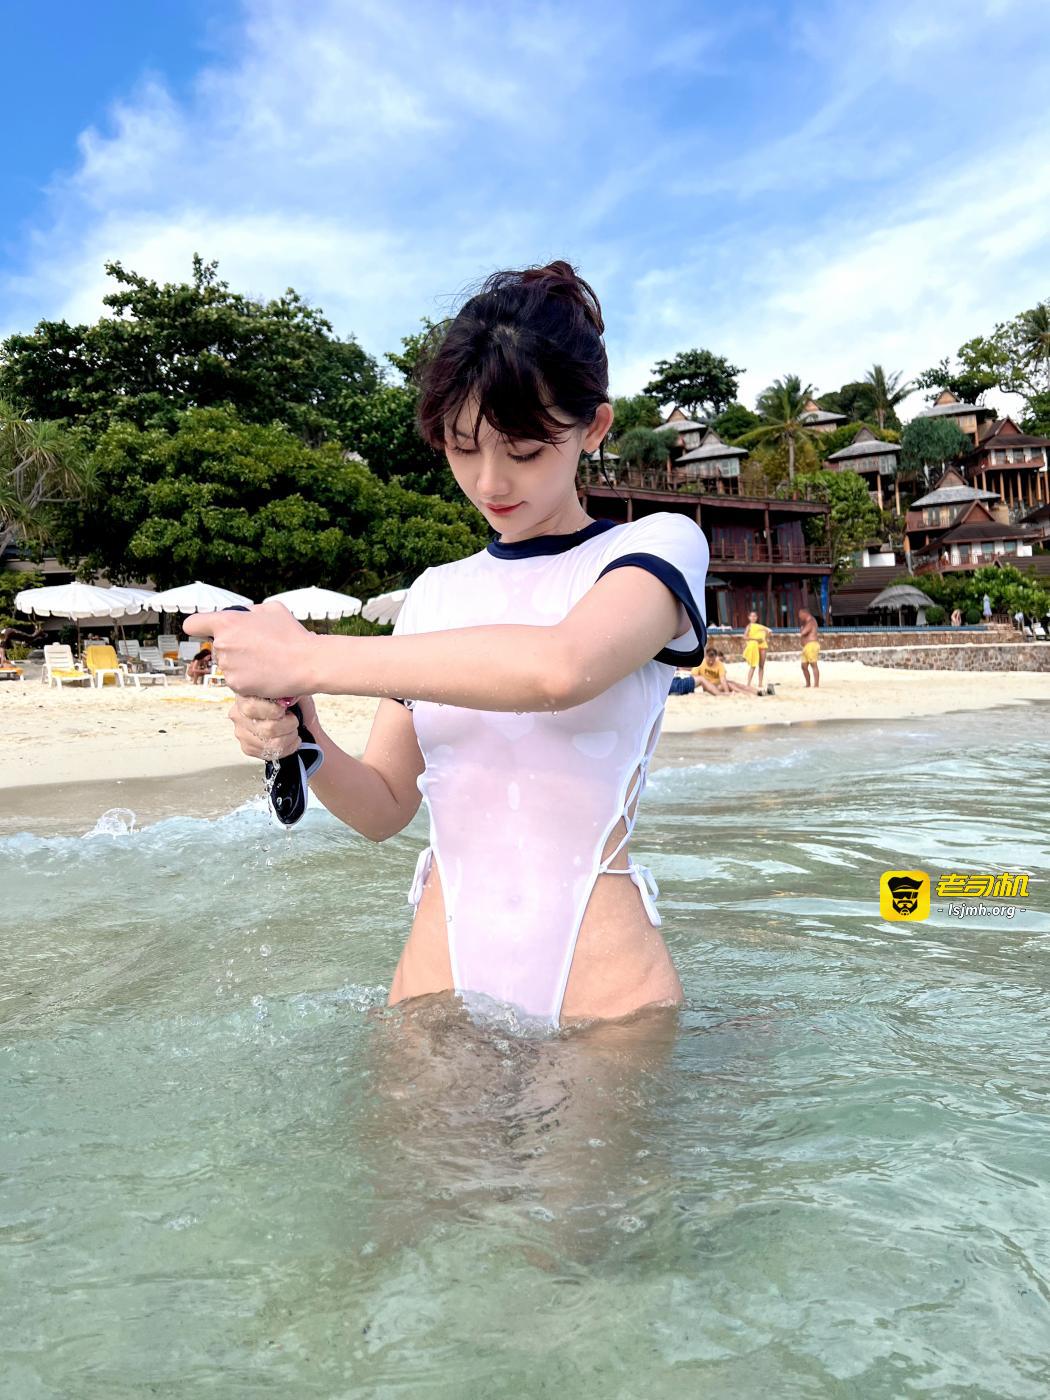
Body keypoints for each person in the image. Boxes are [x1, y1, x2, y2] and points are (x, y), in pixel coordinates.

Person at [185, 260, 710, 1030]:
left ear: (594, 428)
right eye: (464, 447)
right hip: (438, 983)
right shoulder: (434, 593)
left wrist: (310, 656)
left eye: (524, 450)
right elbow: (384, 807)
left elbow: (559, 668)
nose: (490, 481)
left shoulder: (656, 548)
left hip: (603, 999)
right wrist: (306, 735)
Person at [691, 645, 757, 696]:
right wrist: (727, 693)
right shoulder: (700, 663)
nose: (711, 662)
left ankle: (756, 691)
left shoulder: (719, 664)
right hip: (710, 687)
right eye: (709, 659)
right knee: (730, 685)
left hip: (719, 684)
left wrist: (726, 691)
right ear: (706, 656)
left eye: (712, 660)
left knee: (736, 684)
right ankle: (747, 694)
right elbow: (694, 677)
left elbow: (722, 679)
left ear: (715, 657)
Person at [742, 610, 772, 693]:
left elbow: (768, 633)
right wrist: (756, 639)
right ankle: (748, 683)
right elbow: (745, 637)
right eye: (751, 616)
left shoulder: (760, 627)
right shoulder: (749, 626)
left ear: (757, 617)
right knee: (753, 665)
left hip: (762, 646)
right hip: (754, 646)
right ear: (749, 617)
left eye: (754, 616)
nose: (753, 618)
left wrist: (766, 635)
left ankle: (760, 683)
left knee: (761, 665)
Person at [798, 608, 821, 688]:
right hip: (806, 647)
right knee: (803, 666)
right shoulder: (806, 622)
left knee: (813, 665)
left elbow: (804, 632)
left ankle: (816, 684)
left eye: (800, 615)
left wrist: (802, 629)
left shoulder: (811, 621)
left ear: (805, 614)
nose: (799, 617)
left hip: (812, 645)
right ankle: (808, 684)